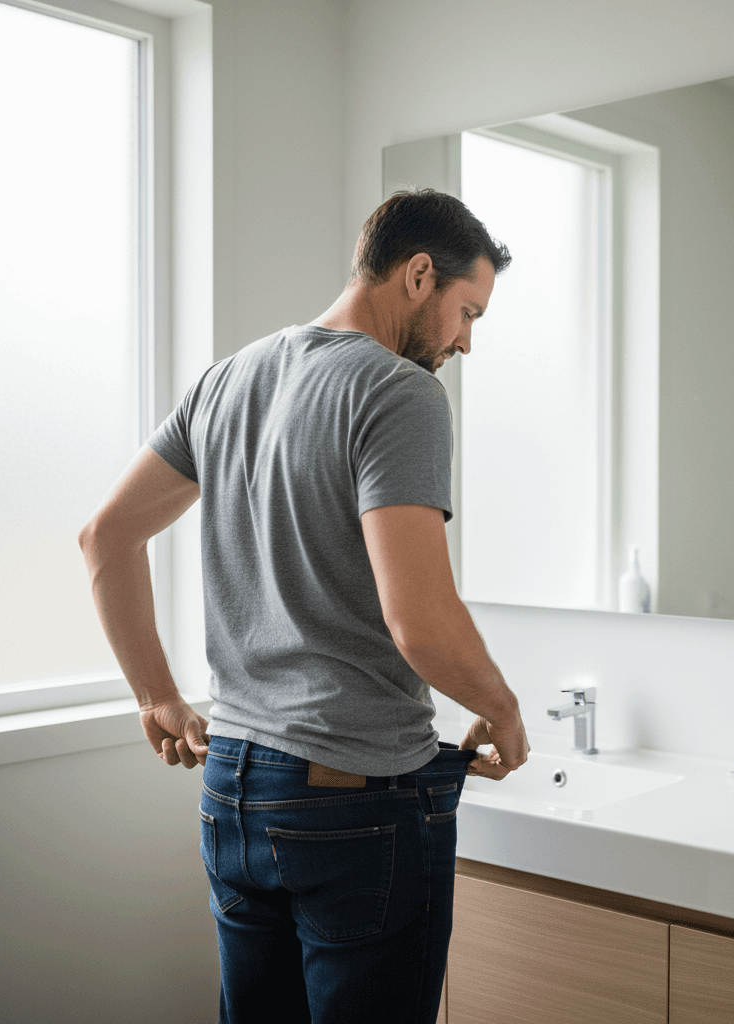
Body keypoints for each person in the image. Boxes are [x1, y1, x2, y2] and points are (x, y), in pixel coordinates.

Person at [78, 189, 529, 1024]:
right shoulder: (401, 393)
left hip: (233, 786)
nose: (467, 341)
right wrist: (501, 707)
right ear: (419, 274)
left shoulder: (229, 378)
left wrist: (157, 698)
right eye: (468, 312)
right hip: (353, 801)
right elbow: (421, 621)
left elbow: (105, 538)